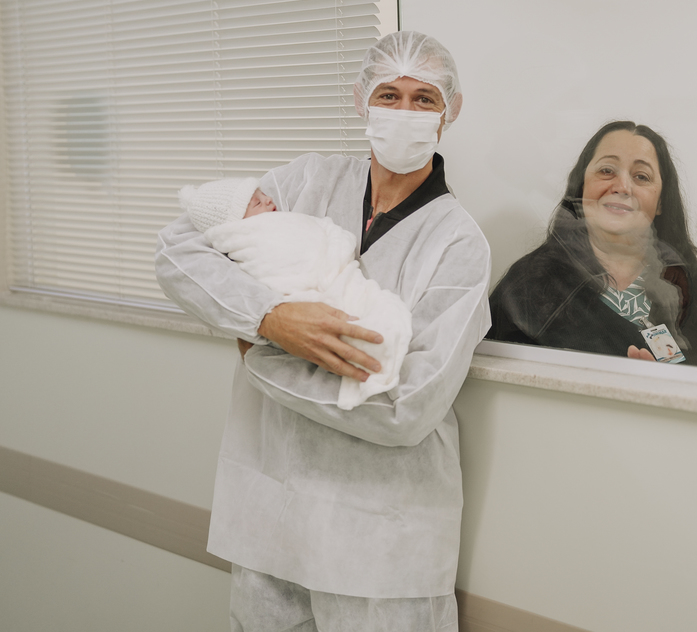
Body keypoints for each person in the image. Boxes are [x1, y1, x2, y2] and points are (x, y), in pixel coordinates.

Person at [156, 31, 491, 631]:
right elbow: (178, 251)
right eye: (388, 94)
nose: (405, 112)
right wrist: (269, 317)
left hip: (379, 542)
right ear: (361, 100)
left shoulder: (459, 243)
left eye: (424, 98)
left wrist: (262, 357)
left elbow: (406, 408)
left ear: (451, 111)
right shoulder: (302, 183)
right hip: (270, 518)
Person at [487, 120, 697, 366]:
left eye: (641, 176)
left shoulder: (692, 288)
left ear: (660, 202)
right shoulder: (526, 287)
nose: (622, 187)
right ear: (581, 186)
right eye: (607, 171)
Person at [178, 177, 412, 411]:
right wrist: (269, 316)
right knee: (347, 326)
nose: (268, 199)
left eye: (263, 195)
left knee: (374, 310)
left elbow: (316, 229)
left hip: (341, 279)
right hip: (308, 299)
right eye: (257, 203)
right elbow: (273, 271)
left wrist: (332, 250)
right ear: (234, 224)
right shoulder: (245, 239)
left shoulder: (292, 210)